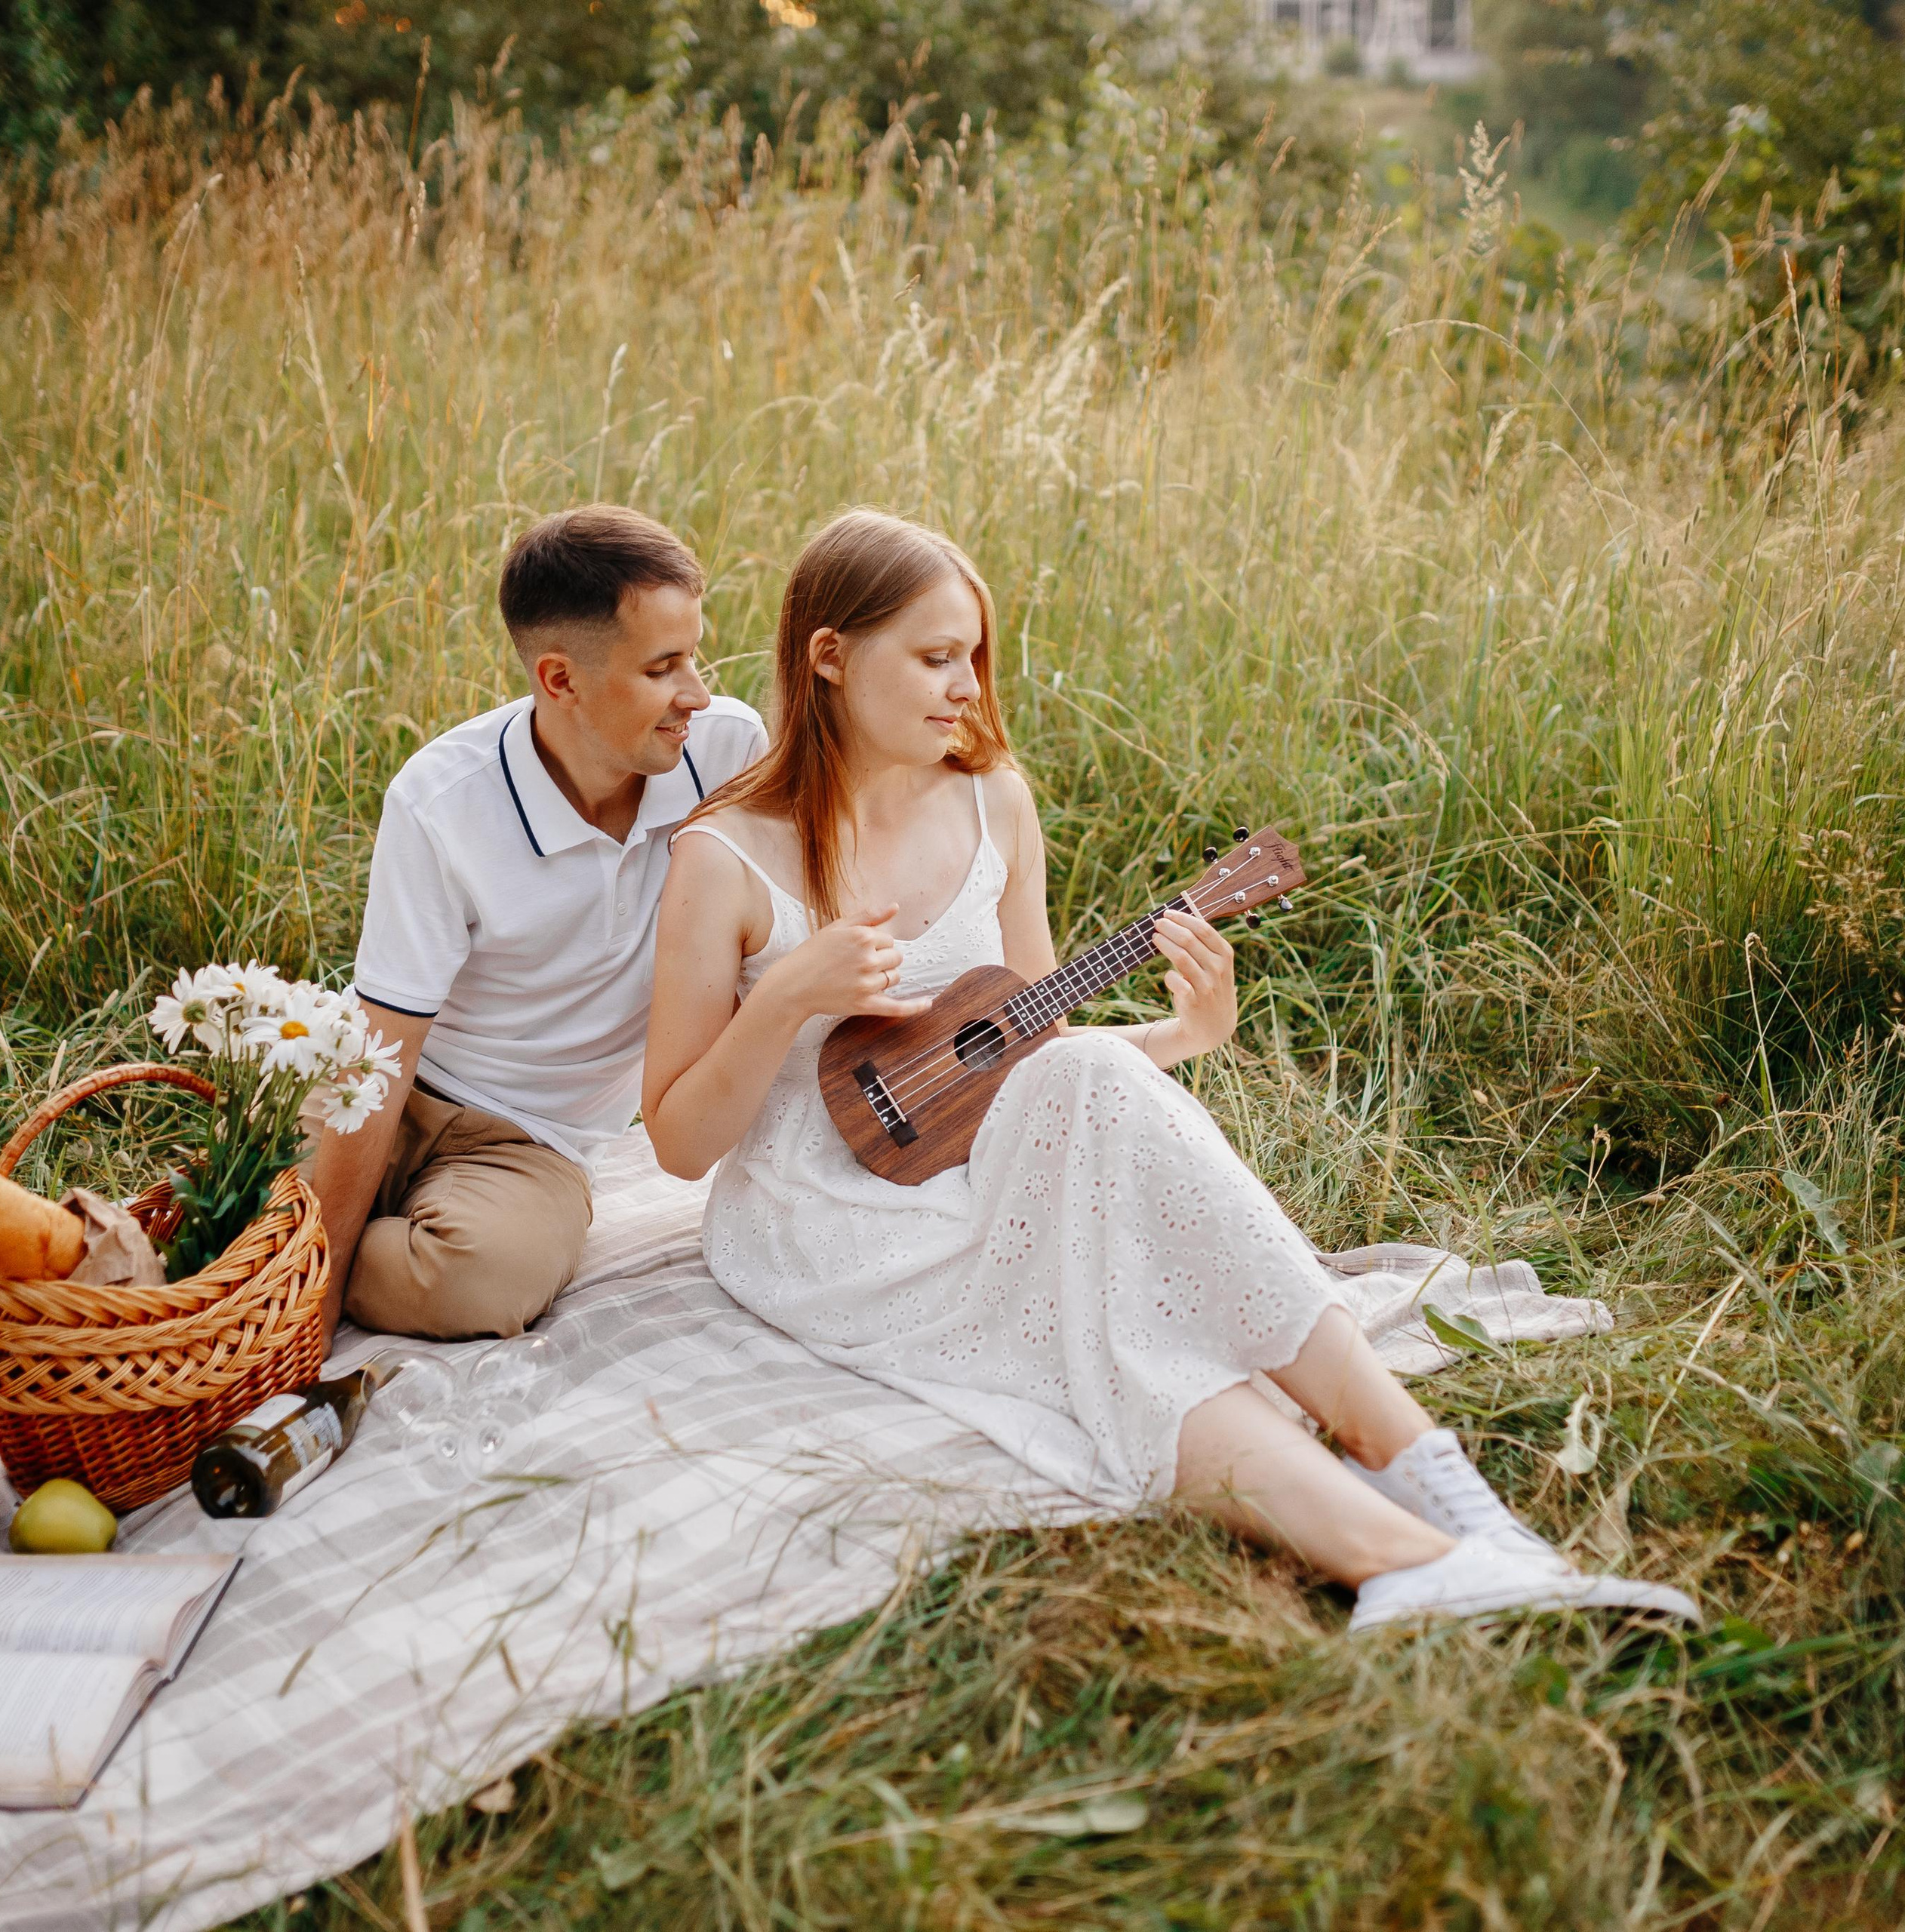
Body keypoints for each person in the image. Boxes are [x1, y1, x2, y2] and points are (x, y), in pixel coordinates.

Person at [640, 508, 1700, 1631]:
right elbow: (679, 1143)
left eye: (976, 658)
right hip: (831, 1218)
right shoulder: (727, 857)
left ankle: (1441, 1494)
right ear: (829, 655)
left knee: (1100, 1114)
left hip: (980, 1157)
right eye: (936, 656)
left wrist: (1182, 1038)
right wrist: (790, 997)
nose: (967, 688)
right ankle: (1402, 1550)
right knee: (1121, 1323)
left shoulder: (994, 800)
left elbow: (1028, 1055)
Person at [309, 505, 768, 1346]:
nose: (697, 694)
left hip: (532, 1142)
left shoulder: (727, 754)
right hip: (394, 1087)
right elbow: (383, 1048)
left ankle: (292, 1253)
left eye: (694, 657)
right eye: (663, 667)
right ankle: (296, 1246)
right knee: (227, 1212)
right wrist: (322, 1289)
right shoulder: (442, 801)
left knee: (479, 1280)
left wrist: (320, 1266)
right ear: (559, 679)